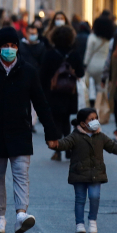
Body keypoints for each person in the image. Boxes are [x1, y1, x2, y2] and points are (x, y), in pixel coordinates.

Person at [0, 27, 60, 233]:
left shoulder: (29, 71)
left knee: (21, 174)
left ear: (18, 47)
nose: (9, 49)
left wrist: (52, 134)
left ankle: (21, 214)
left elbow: (41, 104)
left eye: (13, 46)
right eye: (5, 46)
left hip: (20, 130)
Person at [47, 108, 117, 233]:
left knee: (94, 196)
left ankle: (92, 221)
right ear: (82, 124)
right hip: (79, 173)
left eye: (96, 118)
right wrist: (55, 144)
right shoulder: (75, 136)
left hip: (96, 173)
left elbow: (113, 147)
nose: (95, 121)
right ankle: (79, 223)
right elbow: (65, 143)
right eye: (91, 119)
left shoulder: (100, 136)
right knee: (80, 199)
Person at [40, 25, 85, 160]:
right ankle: (68, 148)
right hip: (70, 91)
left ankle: (57, 149)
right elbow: (81, 73)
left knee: (55, 120)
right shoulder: (74, 54)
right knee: (66, 119)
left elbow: (43, 75)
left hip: (53, 92)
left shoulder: (49, 54)